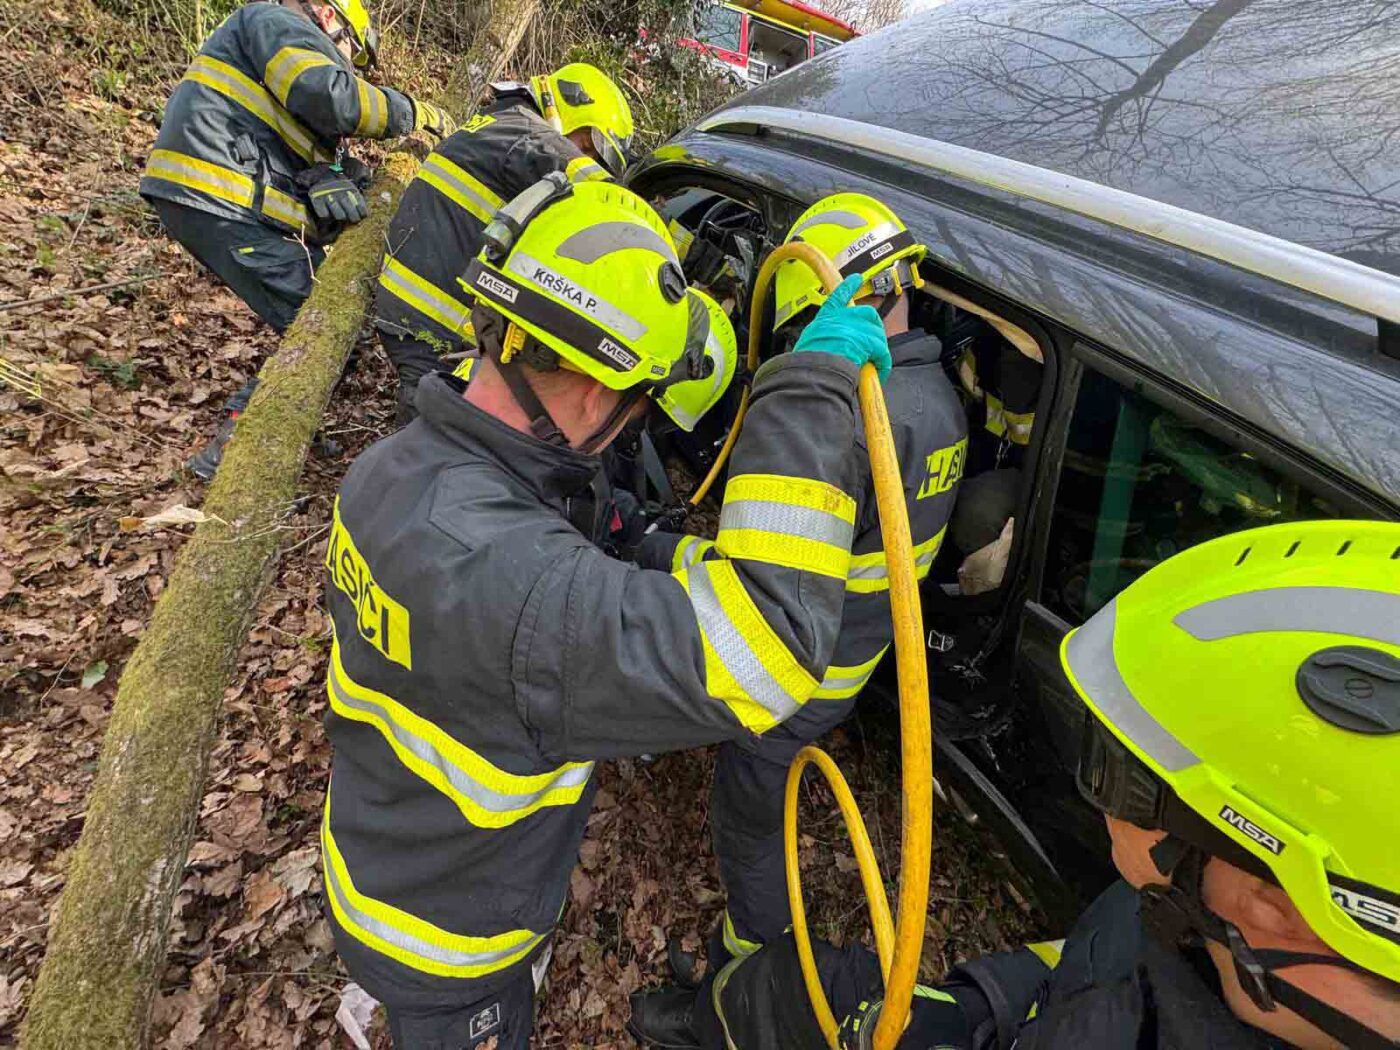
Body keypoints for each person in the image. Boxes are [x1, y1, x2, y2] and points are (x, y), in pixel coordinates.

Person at [319, 174, 894, 1049]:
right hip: (450, 949)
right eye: (636, 406)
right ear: (595, 391)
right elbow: (769, 647)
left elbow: (556, 554)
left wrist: (655, 548)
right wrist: (810, 394)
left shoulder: (390, 472)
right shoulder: (520, 589)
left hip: (382, 850)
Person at [630, 518, 1400, 1050]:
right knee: (791, 993)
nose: (1101, 801)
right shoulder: (1198, 924)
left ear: (1273, 900)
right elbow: (1097, 962)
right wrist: (970, 1011)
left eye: (1123, 776)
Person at [630, 193, 968, 972]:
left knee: (747, 816)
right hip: (857, 656)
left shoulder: (853, 419)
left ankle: (755, 967)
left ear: (828, 299)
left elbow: (762, 595)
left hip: (800, 676)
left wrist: (658, 551)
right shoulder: (940, 400)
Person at [139, 0, 453, 478]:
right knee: (323, 321)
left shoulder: (270, 55)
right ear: (328, 17)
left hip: (222, 192)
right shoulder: (277, 21)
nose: (348, 65)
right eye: (350, 53)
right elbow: (329, 96)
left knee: (320, 317)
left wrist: (329, 177)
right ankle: (241, 443)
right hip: (218, 191)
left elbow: (287, 143)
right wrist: (411, 111)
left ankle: (281, 423)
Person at [373, 63, 634, 425]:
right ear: (570, 112)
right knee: (433, 428)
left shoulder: (499, 123)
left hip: (416, 308)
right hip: (433, 316)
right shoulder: (525, 133)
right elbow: (605, 197)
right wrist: (677, 242)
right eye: (586, 147)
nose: (584, 157)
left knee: (439, 419)